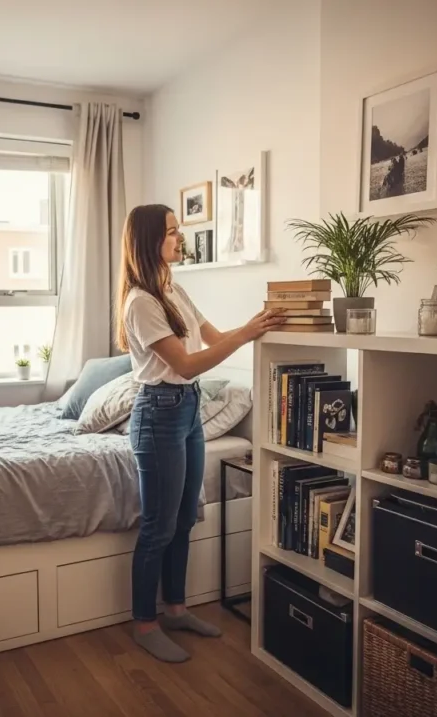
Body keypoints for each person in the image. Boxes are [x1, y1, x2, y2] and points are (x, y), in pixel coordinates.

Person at [114, 204, 286, 662]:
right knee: (158, 526)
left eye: (178, 231)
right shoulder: (141, 302)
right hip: (158, 413)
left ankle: (174, 608)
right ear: (150, 239)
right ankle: (144, 622)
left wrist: (256, 325)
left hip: (187, 408)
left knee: (186, 517)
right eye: (171, 232)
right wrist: (246, 335)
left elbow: (211, 339)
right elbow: (187, 363)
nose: (179, 240)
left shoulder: (172, 290)